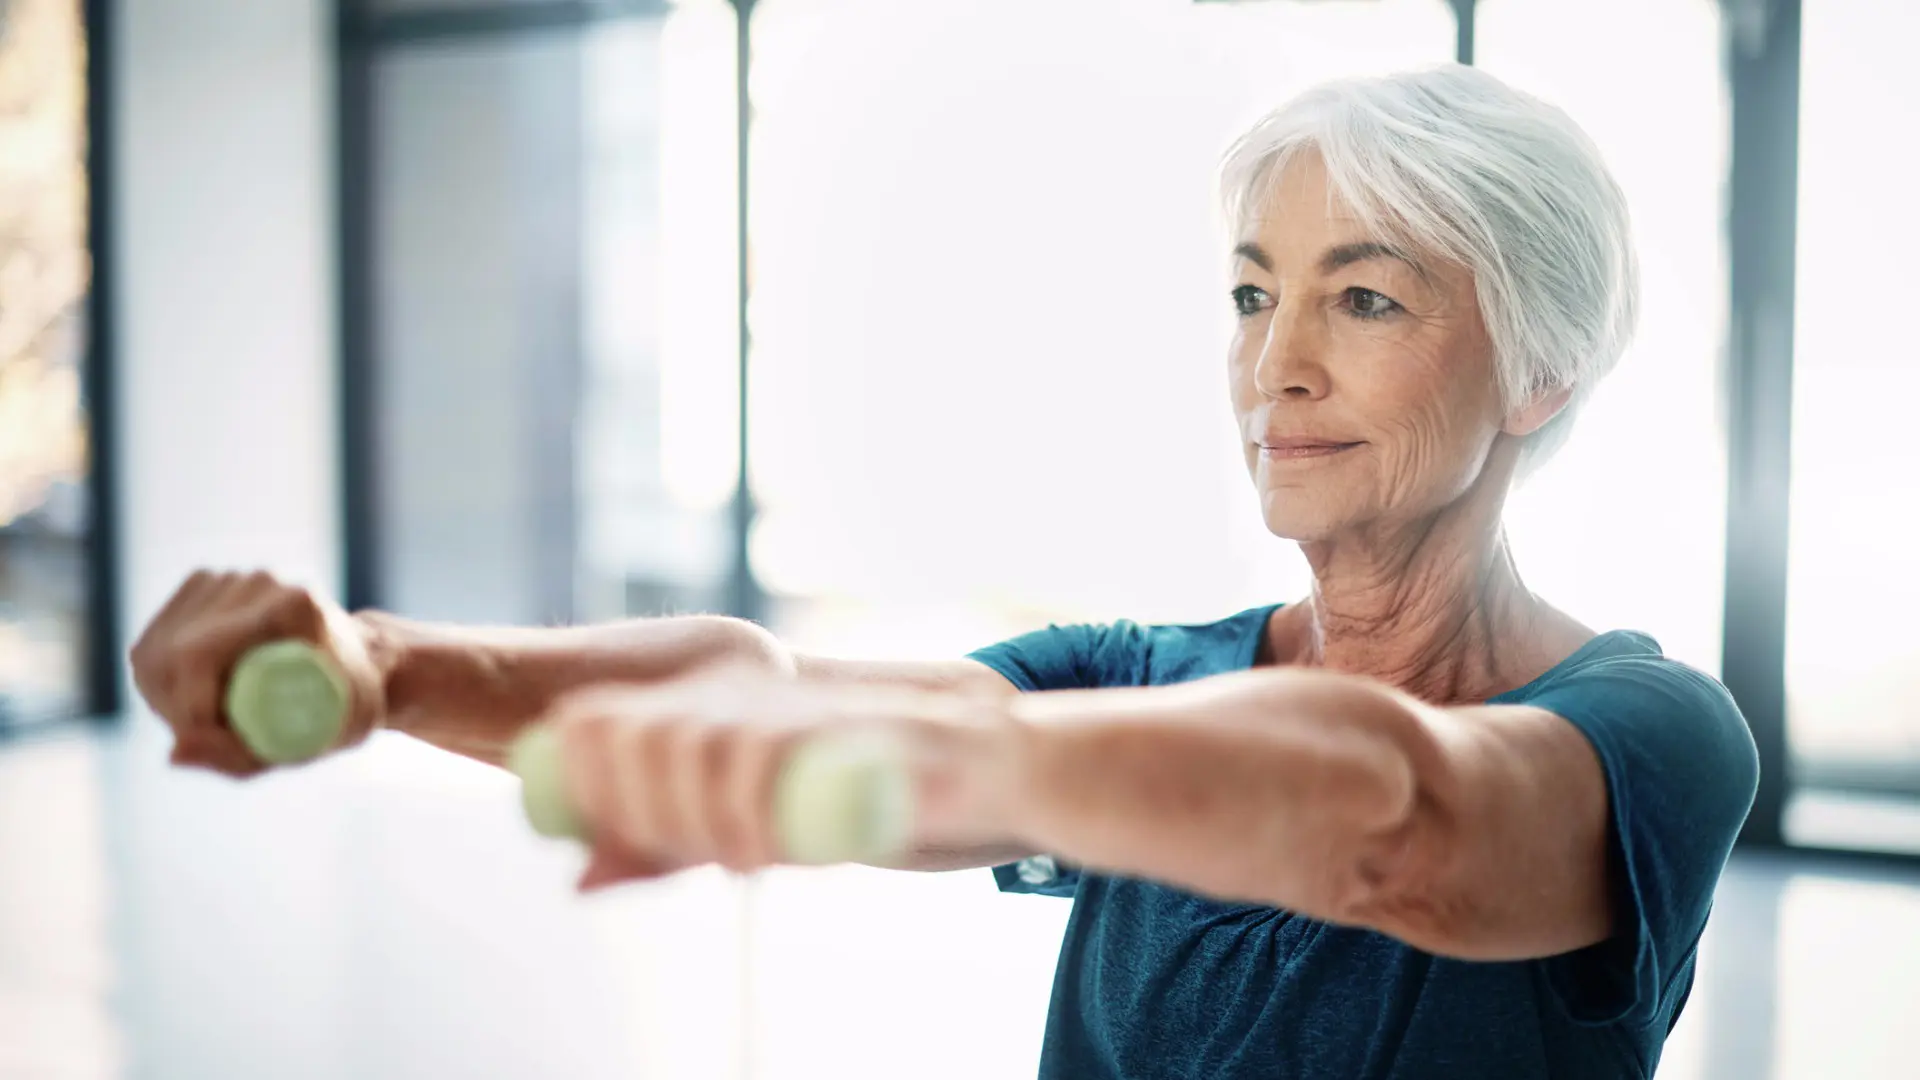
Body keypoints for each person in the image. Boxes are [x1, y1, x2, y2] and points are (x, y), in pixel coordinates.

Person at [130, 64, 1758, 1080]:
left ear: (1540, 374)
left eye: (1369, 301)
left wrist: (974, 759)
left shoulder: (1654, 731)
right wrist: (390, 668)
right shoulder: (1147, 674)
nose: (1277, 369)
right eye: (1255, 296)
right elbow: (778, 691)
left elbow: (1404, 820)